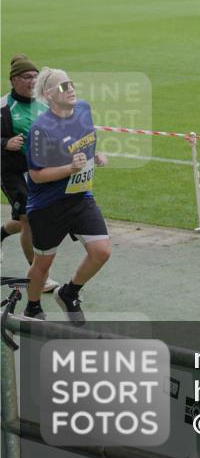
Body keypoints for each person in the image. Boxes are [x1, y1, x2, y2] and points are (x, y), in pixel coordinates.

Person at [22, 68, 111, 324]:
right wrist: (69, 168)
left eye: (71, 83)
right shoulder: (40, 129)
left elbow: (86, 141)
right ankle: (33, 307)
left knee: (101, 251)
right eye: (63, 86)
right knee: (43, 264)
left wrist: (97, 155)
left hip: (81, 197)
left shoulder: (83, 109)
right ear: (49, 95)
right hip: (48, 206)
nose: (70, 89)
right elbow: (37, 176)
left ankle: (69, 292)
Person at [1, 55, 59, 293]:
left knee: (28, 218)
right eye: (27, 77)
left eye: (35, 77)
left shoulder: (43, 104)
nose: (32, 81)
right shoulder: (3, 107)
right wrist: (4, 143)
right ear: (14, 80)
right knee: (28, 219)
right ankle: (37, 276)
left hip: (38, 172)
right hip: (11, 172)